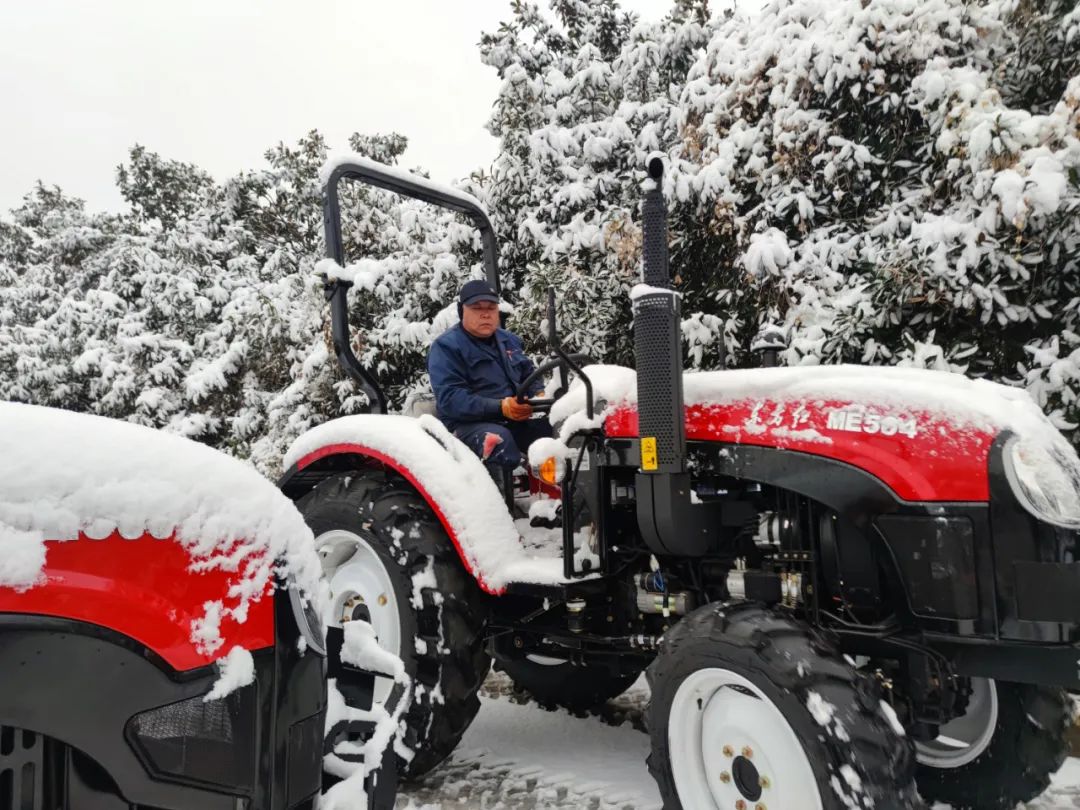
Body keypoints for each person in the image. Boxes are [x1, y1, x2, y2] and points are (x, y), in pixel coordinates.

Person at [427, 280, 553, 477]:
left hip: (512, 418)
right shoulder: (446, 348)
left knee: (558, 431)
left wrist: (539, 394)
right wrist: (500, 406)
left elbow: (528, 373)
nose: (485, 313)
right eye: (477, 308)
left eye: (491, 308)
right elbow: (450, 399)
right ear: (462, 311)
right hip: (466, 425)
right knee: (498, 440)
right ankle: (501, 503)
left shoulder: (509, 340)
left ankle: (562, 494)